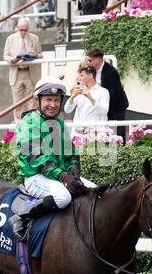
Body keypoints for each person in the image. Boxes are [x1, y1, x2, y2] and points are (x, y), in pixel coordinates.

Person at [10, 76, 96, 238]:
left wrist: (73, 172)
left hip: (58, 177)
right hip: (35, 177)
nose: (53, 105)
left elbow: (71, 154)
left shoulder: (60, 124)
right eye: (49, 99)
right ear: (39, 100)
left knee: (94, 192)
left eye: (57, 100)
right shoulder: (28, 122)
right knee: (63, 197)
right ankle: (21, 218)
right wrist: (63, 176)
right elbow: (35, 156)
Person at [3, 18, 43, 121]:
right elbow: (5, 56)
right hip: (17, 73)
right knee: (17, 103)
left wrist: (36, 55)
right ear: (17, 28)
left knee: (32, 102)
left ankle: (32, 123)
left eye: (25, 30)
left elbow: (41, 55)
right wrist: (13, 59)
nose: (23, 32)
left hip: (30, 73)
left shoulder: (34, 38)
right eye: (21, 30)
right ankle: (19, 125)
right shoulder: (10, 39)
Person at [86, 48, 129, 142]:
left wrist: (102, 102)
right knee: (103, 131)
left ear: (97, 60)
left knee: (118, 132)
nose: (87, 62)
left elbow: (115, 92)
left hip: (116, 106)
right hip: (102, 106)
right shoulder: (91, 71)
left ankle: (121, 151)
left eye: (90, 60)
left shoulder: (111, 72)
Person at [64, 65, 109, 136]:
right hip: (78, 134)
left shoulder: (103, 92)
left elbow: (104, 112)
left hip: (96, 134)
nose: (79, 78)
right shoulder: (79, 90)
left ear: (90, 76)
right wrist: (72, 97)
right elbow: (67, 110)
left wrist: (90, 98)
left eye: (82, 75)